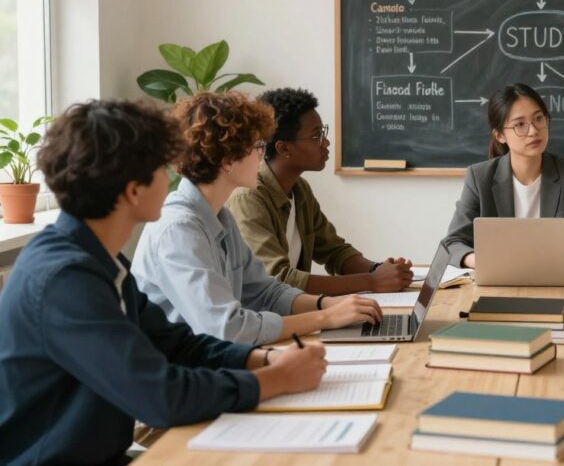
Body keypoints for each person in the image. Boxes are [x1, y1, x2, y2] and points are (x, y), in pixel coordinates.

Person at [0, 100, 329, 466]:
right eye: (161, 167)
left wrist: (262, 359)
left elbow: (177, 346)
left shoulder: (101, 260)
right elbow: (160, 397)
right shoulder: (65, 279)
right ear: (133, 189)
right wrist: (277, 379)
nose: (174, 175)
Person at [133, 92, 382, 346]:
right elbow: (227, 328)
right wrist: (325, 317)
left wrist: (328, 303)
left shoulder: (221, 217)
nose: (262, 157)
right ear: (228, 160)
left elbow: (266, 292)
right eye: (257, 147)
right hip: (181, 374)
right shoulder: (179, 229)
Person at [226, 87, 412, 295]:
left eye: (323, 133)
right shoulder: (248, 198)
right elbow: (279, 280)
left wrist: (380, 271)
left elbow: (334, 251)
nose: (326, 142)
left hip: (293, 314)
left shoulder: (299, 189)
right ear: (284, 149)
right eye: (316, 136)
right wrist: (372, 281)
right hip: (263, 321)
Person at [443, 83, 564, 269]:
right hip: (498, 281)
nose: (533, 131)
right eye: (519, 124)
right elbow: (453, 243)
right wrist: (482, 261)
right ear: (499, 135)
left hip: (557, 280)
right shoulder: (479, 177)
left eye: (539, 118)